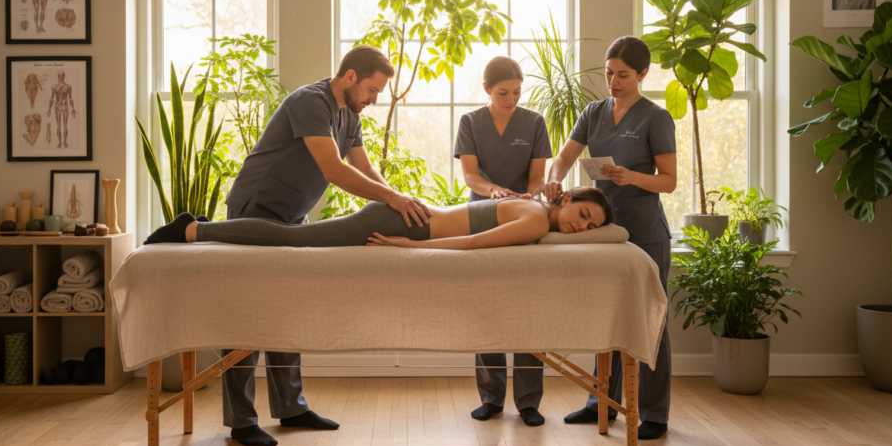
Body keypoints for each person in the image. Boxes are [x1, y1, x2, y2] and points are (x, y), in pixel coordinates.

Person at [153, 45, 432, 446]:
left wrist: (401, 198)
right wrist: (392, 201)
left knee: (287, 306)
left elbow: (363, 167)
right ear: (350, 76)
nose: (375, 100)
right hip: (256, 208)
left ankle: (291, 406)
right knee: (244, 313)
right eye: (373, 90)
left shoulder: (350, 114)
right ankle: (242, 420)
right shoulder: (310, 101)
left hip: (293, 216)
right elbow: (334, 170)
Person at [541, 36, 677, 441]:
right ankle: (602, 403)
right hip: (601, 233)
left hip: (645, 232)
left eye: (623, 76)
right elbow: (564, 156)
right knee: (608, 315)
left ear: (642, 75)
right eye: (609, 74)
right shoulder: (593, 112)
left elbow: (668, 182)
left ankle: (653, 412)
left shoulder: (656, 118)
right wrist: (553, 178)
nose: (613, 82)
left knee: (650, 319)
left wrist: (630, 176)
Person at [454, 56, 552, 427]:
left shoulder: (534, 123)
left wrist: (527, 200)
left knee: (528, 307)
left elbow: (538, 177)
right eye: (502, 93)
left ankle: (529, 401)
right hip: (482, 217)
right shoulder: (471, 122)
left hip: (525, 218)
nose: (511, 99)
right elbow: (469, 175)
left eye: (516, 92)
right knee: (487, 306)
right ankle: (491, 398)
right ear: (486, 90)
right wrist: (494, 190)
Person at [146, 185, 612, 249]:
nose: (581, 226)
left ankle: (197, 225)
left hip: (406, 219)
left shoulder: (532, 206)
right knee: (292, 239)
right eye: (583, 213)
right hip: (403, 224)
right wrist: (416, 247)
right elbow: (471, 246)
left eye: (590, 227)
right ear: (566, 198)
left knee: (293, 237)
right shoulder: (534, 218)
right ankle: (193, 227)